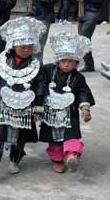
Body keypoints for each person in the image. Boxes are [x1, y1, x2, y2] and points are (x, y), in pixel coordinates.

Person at [0, 17, 47, 174]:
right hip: (3, 105)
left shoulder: (36, 65)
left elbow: (40, 85)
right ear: (13, 45)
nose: (26, 50)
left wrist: (38, 108)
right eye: (22, 47)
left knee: (20, 136)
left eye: (29, 47)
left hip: (25, 108)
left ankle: (14, 160)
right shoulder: (2, 61)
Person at [39, 31, 94, 173]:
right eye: (64, 61)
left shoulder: (78, 77)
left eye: (71, 62)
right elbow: (40, 85)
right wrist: (37, 105)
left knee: (72, 135)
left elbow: (83, 93)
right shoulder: (48, 70)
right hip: (50, 113)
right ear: (58, 60)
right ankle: (58, 160)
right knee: (55, 139)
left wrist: (85, 109)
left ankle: (71, 156)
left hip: (70, 114)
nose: (66, 65)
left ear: (77, 62)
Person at [71, 0, 109, 72]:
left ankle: (72, 63)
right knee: (85, 39)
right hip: (82, 12)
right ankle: (89, 65)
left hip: (93, 12)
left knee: (82, 38)